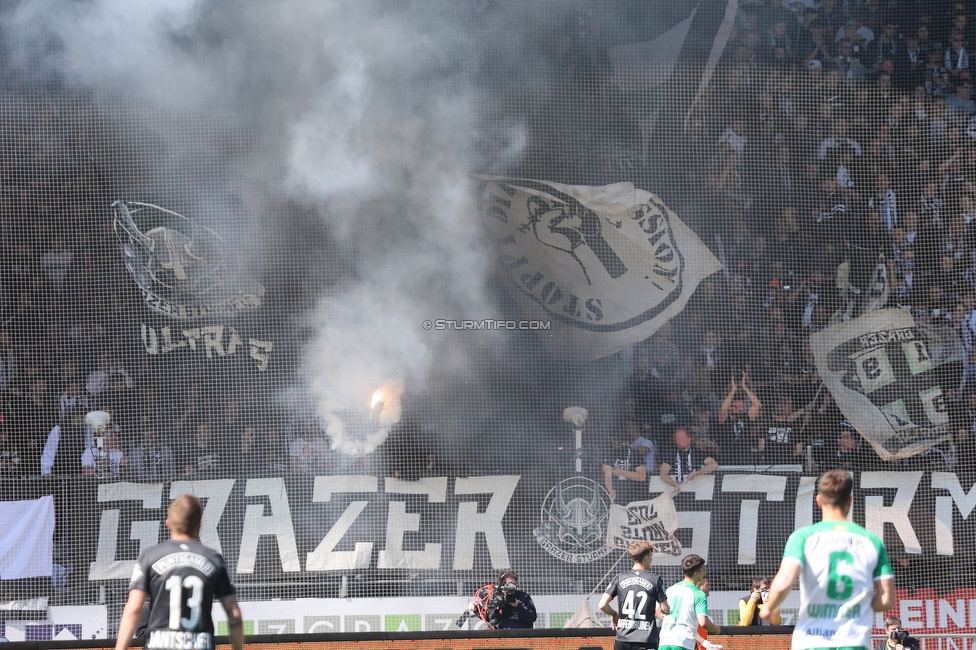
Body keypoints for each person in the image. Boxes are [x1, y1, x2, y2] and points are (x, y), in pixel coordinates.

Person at [760, 469, 896, 650]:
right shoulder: (872, 541)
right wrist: (858, 602)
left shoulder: (803, 537)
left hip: (810, 641)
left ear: (819, 500)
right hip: (853, 641)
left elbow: (785, 582)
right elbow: (886, 600)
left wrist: (769, 607)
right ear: (850, 501)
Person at [115, 494, 243, 650]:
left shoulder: (149, 556)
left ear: (168, 523)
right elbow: (234, 613)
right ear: (199, 525)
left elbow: (134, 608)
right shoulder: (214, 559)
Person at [599, 540, 670, 650]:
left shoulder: (619, 578)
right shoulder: (654, 579)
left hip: (623, 639)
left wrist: (614, 614)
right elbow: (665, 609)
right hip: (646, 639)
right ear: (646, 558)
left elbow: (602, 605)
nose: (651, 560)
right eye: (651, 556)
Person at [659, 554, 721, 650]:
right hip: (683, 643)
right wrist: (717, 629)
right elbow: (703, 622)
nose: (704, 573)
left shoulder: (670, 589)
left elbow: (658, 611)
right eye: (702, 570)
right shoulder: (698, 594)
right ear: (696, 574)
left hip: (664, 641)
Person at [467, 569, 537, 630]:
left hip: (523, 637)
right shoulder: (497, 597)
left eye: (513, 584)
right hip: (503, 638)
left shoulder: (523, 596)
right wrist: (476, 608)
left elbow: (532, 617)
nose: (511, 587)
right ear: (502, 585)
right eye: (509, 584)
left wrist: (517, 605)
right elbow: (491, 619)